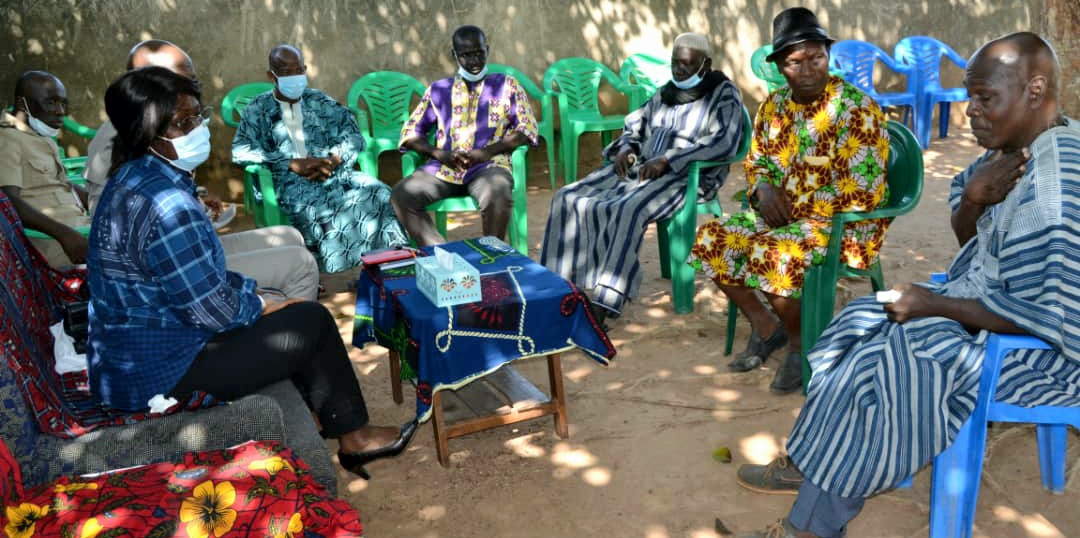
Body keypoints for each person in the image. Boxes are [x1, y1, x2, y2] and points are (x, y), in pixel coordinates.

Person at [734, 32, 1080, 538]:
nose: (972, 112)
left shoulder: (1058, 184)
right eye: (969, 97)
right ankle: (815, 465)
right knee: (860, 319)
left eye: (985, 98)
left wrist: (934, 304)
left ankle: (811, 526)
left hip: (1042, 355)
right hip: (988, 311)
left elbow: (1051, 315)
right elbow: (972, 244)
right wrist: (976, 197)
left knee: (900, 360)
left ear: (1035, 89)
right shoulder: (1018, 150)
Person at [88, 66, 416, 480]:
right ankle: (355, 437)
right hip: (163, 371)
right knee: (310, 320)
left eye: (198, 115)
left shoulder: (135, 177)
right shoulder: (168, 204)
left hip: (136, 356)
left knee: (279, 299)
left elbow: (197, 281)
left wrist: (260, 296)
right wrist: (264, 303)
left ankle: (324, 416)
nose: (197, 128)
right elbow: (212, 311)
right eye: (183, 123)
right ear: (148, 133)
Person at [687, 8, 889, 394]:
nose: (809, 69)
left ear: (828, 56)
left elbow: (862, 192)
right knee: (712, 238)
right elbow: (757, 162)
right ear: (779, 66)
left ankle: (801, 344)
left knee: (772, 252)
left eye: (817, 57)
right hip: (782, 219)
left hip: (843, 225)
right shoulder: (773, 108)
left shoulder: (855, 109)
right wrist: (761, 188)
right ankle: (768, 328)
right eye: (796, 62)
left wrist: (797, 208)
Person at [84, 39, 320, 300]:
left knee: (288, 237)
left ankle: (286, 304)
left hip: (189, 249)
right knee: (300, 264)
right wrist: (252, 299)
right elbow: (120, 240)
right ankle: (284, 327)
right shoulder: (118, 143)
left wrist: (196, 202)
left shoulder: (166, 127)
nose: (193, 89)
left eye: (193, 81)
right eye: (182, 81)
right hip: (165, 275)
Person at [539, 33, 746, 324]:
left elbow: (724, 141)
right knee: (567, 197)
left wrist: (669, 159)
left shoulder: (723, 93)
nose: (679, 70)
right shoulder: (666, 92)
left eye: (687, 64)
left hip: (685, 177)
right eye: (675, 63)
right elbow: (635, 124)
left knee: (629, 208)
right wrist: (625, 148)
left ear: (705, 63)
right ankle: (557, 289)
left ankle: (606, 302)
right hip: (641, 168)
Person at [232, 44, 407, 273]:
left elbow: (354, 135)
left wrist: (334, 159)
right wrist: (290, 163)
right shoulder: (258, 109)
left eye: (299, 69)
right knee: (318, 208)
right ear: (271, 76)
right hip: (290, 182)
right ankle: (313, 273)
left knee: (379, 191)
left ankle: (385, 265)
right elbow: (240, 150)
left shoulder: (319, 101)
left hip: (334, 172)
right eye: (286, 72)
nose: (294, 76)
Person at [392, 25, 538, 246]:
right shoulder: (438, 90)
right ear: (455, 55)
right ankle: (441, 254)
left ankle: (490, 255)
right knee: (402, 195)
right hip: (444, 169)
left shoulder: (507, 85)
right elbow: (410, 133)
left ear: (487, 49)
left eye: (479, 52)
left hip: (489, 166)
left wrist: (486, 152)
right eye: (466, 55)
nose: (474, 61)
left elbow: (526, 129)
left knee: (498, 193)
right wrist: (438, 153)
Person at [0, 70, 90, 267]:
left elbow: (61, 186)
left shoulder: (41, 136)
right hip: (54, 243)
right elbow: (7, 203)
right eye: (50, 103)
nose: (60, 111)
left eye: (62, 103)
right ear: (23, 105)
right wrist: (65, 235)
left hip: (81, 230)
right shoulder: (7, 139)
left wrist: (103, 202)